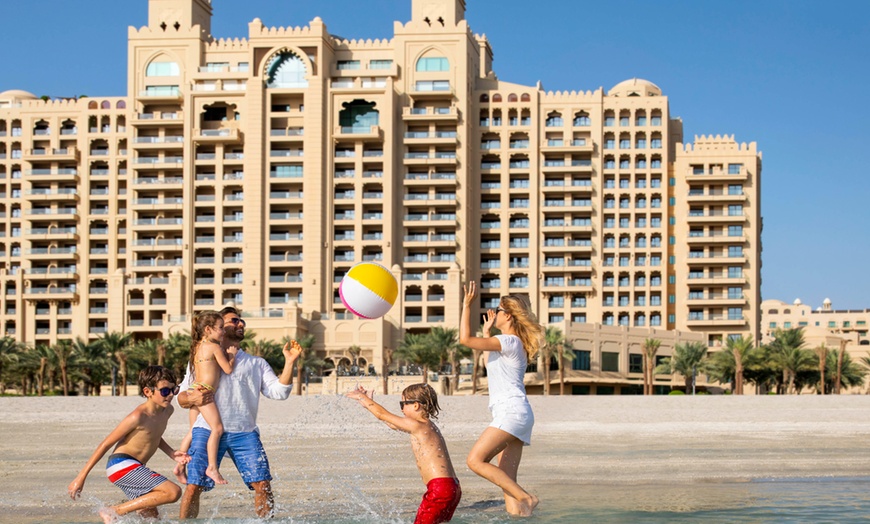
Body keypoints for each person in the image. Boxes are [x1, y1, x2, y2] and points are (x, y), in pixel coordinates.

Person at [175, 306, 302, 519]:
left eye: (241, 320)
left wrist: (289, 363)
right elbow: (181, 397)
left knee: (262, 484)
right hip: (206, 430)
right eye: (234, 320)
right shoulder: (201, 356)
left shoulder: (256, 363)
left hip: (245, 432)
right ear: (217, 327)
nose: (241, 324)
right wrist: (191, 398)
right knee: (193, 485)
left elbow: (279, 393)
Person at [459, 282, 542, 517]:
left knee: (475, 461)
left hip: (511, 413)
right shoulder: (509, 344)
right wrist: (486, 334)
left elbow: (464, 339)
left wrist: (467, 305)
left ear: (511, 316)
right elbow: (489, 364)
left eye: (500, 310)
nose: (496, 312)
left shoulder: (509, 341)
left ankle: (527, 497)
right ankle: (521, 514)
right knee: (507, 482)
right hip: (516, 414)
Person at [68, 366, 190, 523]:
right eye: (165, 391)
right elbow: (105, 444)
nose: (170, 395)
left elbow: (154, 435)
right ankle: (114, 511)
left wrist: (171, 453)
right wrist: (81, 477)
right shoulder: (138, 416)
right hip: (122, 465)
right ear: (148, 392)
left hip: (136, 467)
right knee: (173, 492)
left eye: (174, 390)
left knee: (152, 518)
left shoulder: (167, 411)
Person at [347, 383, 461, 524]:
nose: (401, 409)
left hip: (439, 489)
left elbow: (382, 415)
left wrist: (361, 396)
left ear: (416, 405)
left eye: (403, 404)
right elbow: (391, 423)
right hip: (452, 487)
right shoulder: (427, 425)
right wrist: (368, 403)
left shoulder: (417, 425)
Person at [179, 310, 236, 485]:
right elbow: (227, 369)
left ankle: (179, 465)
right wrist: (232, 355)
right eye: (220, 328)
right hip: (204, 392)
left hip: (194, 389)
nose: (223, 331)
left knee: (192, 430)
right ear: (208, 330)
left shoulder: (197, 346)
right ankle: (212, 467)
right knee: (217, 429)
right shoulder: (214, 347)